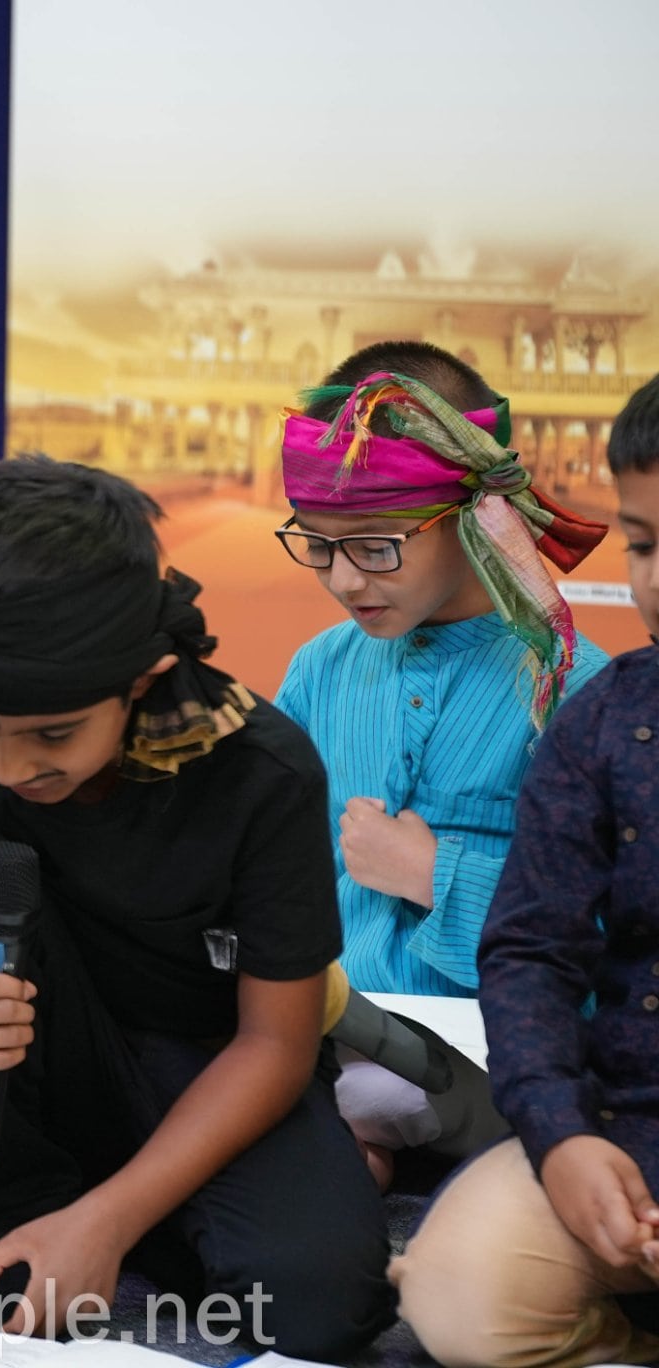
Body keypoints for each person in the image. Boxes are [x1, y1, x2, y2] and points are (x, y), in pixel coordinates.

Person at [0, 456, 394, 1360]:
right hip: (26, 1101)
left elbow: (275, 1043)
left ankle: (124, 1220)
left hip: (211, 1076)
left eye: (54, 734)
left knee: (318, 1309)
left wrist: (111, 1219)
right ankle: (36, 1208)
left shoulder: (260, 773)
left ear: (144, 678)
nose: (7, 764)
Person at [274, 342, 607, 1184]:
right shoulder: (321, 668)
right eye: (316, 545)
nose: (345, 580)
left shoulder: (574, 687)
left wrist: (434, 875)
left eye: (375, 547)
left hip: (508, 1059)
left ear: (472, 517)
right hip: (336, 1038)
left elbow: (607, 935)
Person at [390, 374, 659, 1367]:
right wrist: (563, 1140)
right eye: (639, 543)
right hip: (626, 1134)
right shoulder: (603, 721)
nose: (652, 583)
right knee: (460, 1289)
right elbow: (528, 953)